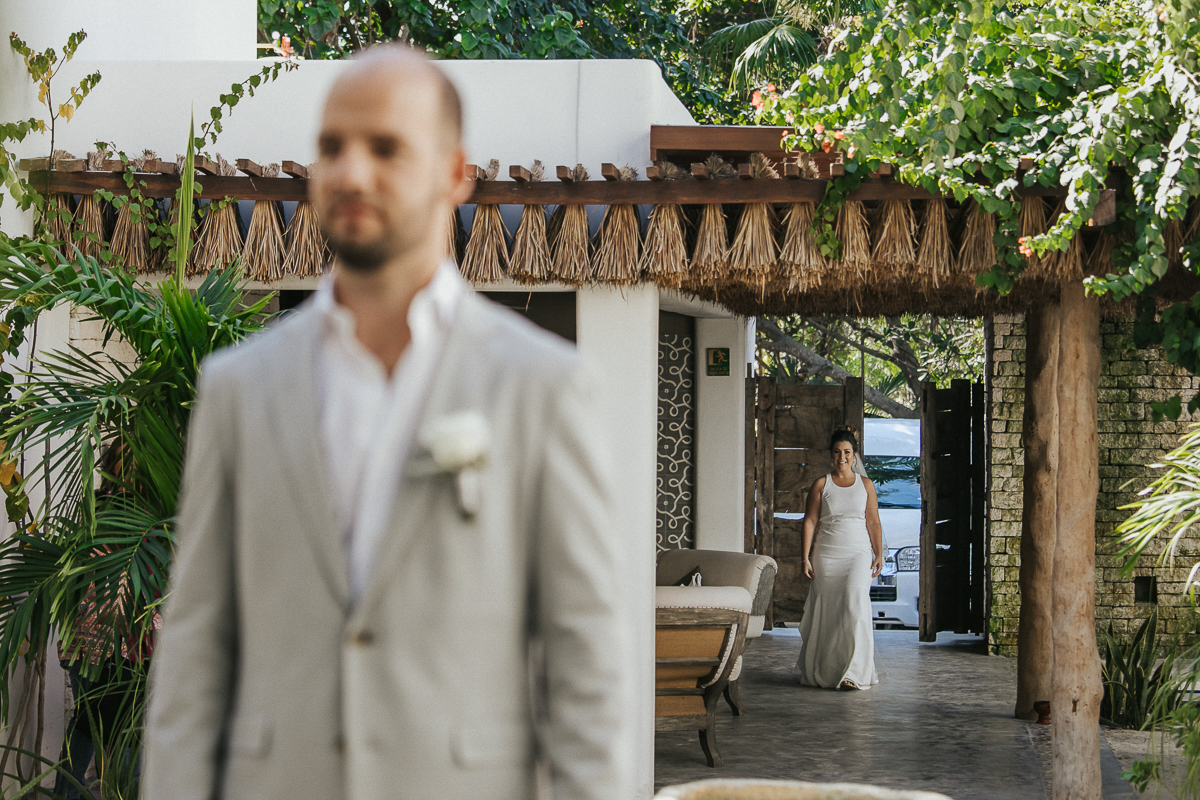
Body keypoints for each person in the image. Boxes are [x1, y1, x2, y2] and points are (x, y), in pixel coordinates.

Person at [143, 47, 630, 800]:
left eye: (385, 147)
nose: (351, 172)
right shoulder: (238, 388)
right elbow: (196, 648)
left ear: (454, 172)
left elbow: (586, 661)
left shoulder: (544, 388)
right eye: (332, 147)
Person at [795, 428, 883, 690]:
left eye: (847, 452)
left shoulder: (865, 485)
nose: (842, 457)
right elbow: (810, 521)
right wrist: (805, 558)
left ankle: (854, 672)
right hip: (827, 555)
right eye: (837, 452)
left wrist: (879, 553)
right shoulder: (822, 484)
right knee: (829, 613)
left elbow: (873, 520)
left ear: (854, 456)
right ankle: (829, 669)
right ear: (831, 455)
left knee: (855, 604)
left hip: (858, 554)